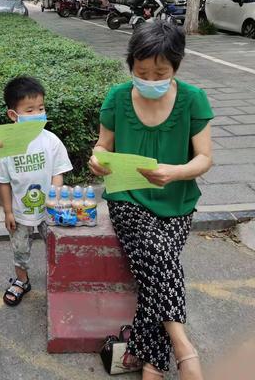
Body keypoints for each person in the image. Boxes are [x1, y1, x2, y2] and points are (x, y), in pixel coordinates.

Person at [89, 21, 213, 380]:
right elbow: (102, 145)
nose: (150, 78)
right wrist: (97, 159)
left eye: (161, 72)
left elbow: (204, 158)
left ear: (177, 66)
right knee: (161, 255)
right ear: (131, 65)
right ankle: (181, 344)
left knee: (155, 271)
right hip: (126, 196)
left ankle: (152, 361)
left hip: (177, 198)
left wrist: (173, 172)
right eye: (142, 72)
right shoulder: (116, 97)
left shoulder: (193, 99)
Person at [0, 76, 72, 306]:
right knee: (20, 248)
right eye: (30, 109)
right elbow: (3, 182)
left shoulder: (51, 141)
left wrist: (54, 197)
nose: (38, 113)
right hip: (19, 213)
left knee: (56, 244)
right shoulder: (4, 145)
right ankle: (21, 281)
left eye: (41, 108)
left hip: (49, 210)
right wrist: (8, 211)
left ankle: (58, 279)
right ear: (12, 115)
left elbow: (59, 172)